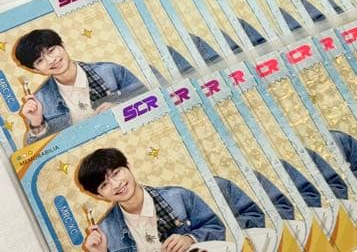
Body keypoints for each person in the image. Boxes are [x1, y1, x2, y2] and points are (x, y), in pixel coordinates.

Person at [78, 146, 264, 251]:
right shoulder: (106, 232)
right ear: (99, 195)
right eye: (104, 185)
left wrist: (190, 238)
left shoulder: (178, 197)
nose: (116, 184)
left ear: (128, 166)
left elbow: (216, 228)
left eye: (117, 173)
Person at [13, 29, 145, 145]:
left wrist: (120, 107)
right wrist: (36, 123)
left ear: (62, 45)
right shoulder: (40, 100)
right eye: (40, 60)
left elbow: (148, 96)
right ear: (35, 70)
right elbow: (38, 152)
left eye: (51, 50)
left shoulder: (110, 71)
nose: (51, 60)